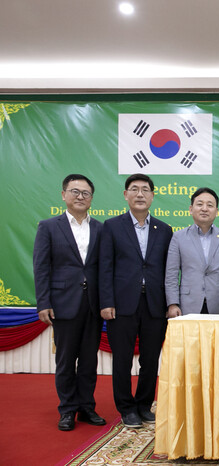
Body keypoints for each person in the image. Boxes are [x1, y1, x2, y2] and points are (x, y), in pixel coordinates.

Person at [99, 173, 173, 429]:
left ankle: (143, 404)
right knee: (121, 358)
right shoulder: (111, 226)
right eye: (134, 189)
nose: (140, 194)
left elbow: (169, 270)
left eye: (145, 190)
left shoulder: (164, 230)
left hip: (155, 304)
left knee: (150, 359)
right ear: (125, 195)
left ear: (152, 195)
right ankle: (126, 408)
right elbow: (105, 267)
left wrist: (169, 303)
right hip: (121, 304)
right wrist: (106, 301)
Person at [33, 174, 105, 431]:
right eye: (75, 191)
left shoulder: (101, 228)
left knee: (89, 360)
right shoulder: (49, 227)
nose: (80, 196)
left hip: (93, 304)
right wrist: (43, 302)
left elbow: (105, 268)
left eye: (85, 193)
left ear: (91, 198)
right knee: (65, 360)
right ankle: (67, 409)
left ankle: (86, 407)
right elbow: (41, 267)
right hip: (63, 303)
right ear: (64, 195)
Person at [165, 187, 219, 316]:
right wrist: (173, 304)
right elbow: (171, 274)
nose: (204, 209)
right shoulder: (178, 237)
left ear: (217, 211)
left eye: (210, 205)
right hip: (187, 306)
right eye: (200, 204)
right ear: (191, 209)